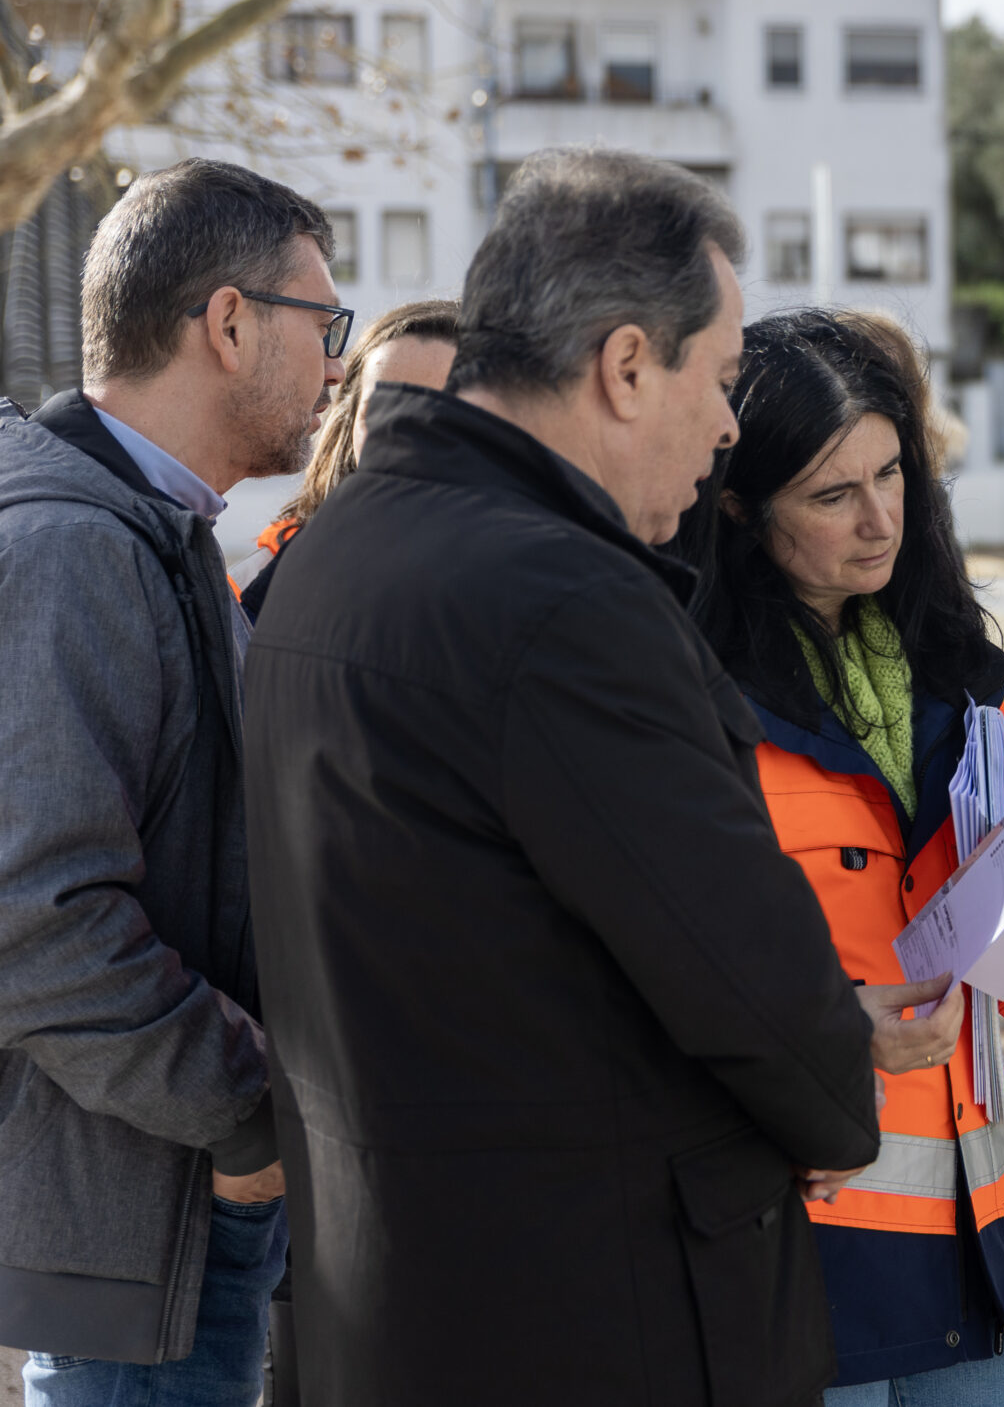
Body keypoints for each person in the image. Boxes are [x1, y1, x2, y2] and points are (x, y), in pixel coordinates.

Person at [241, 148, 924, 1407]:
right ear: (623, 366)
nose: (729, 427)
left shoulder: (343, 552)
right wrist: (827, 1093)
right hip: (593, 1305)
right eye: (719, 381)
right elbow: (738, 968)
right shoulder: (565, 602)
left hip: (402, 1289)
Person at [684, 307, 1004, 1406]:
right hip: (800, 1222)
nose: (880, 520)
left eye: (893, 476)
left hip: (977, 1222)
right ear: (737, 508)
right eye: (833, 495)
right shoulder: (684, 702)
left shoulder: (960, 675)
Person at [0, 160, 348, 1402]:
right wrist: (253, 1116)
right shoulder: (74, 546)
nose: (337, 366)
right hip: (151, 1219)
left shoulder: (152, 530)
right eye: (326, 323)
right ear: (231, 322)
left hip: (177, 1206)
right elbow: (38, 926)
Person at [235, 297, 457, 619]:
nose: (412, 441)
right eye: (385, 414)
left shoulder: (542, 581)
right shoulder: (256, 590)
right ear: (350, 428)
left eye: (446, 418)